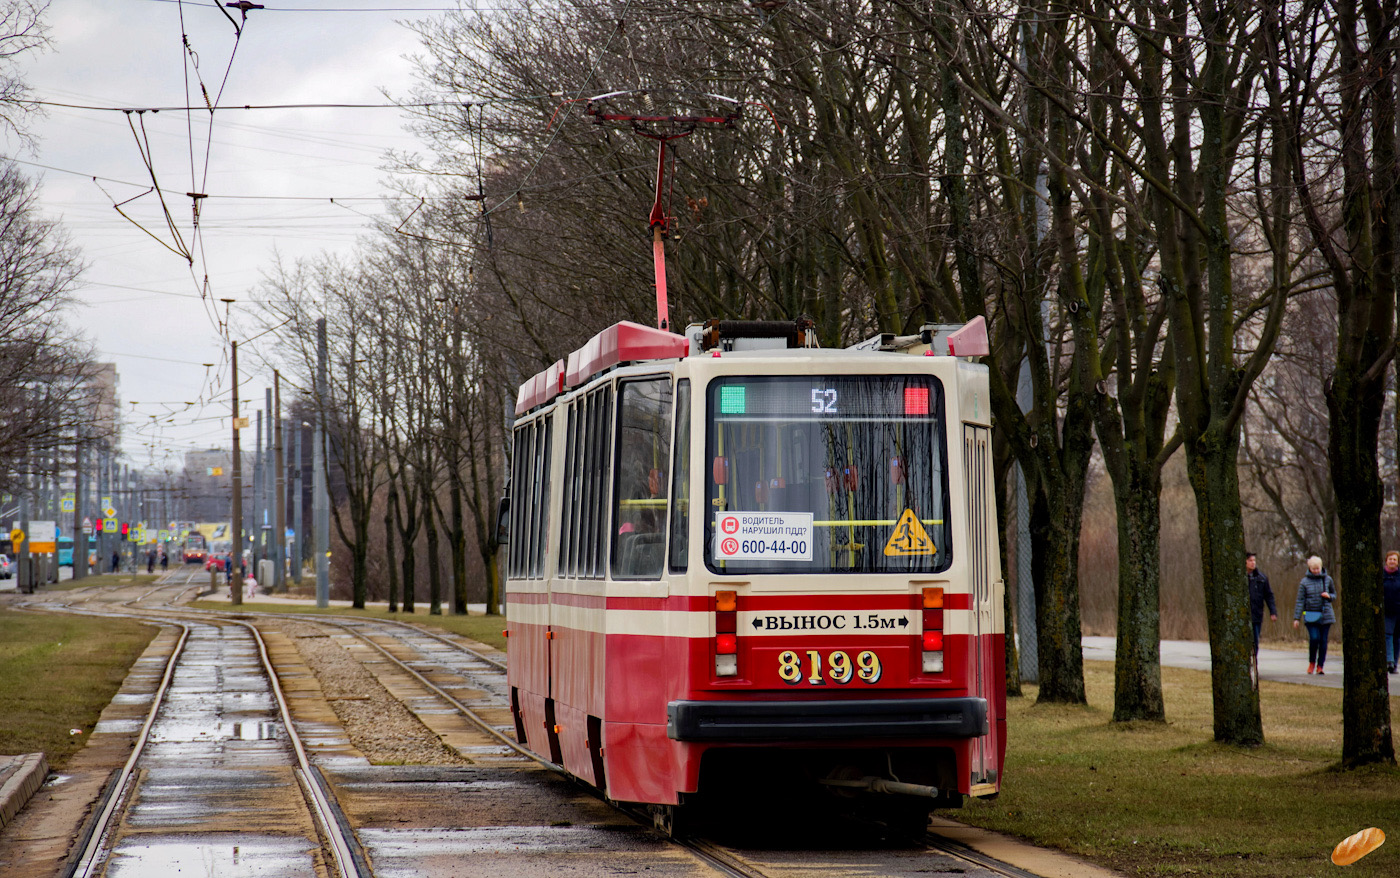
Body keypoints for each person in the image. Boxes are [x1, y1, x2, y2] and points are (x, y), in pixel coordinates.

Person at [1293, 555, 1336, 674]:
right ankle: (1312, 662)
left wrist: (1329, 596)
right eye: (1314, 569)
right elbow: (1300, 600)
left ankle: (1320, 666)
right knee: (1314, 638)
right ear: (1309, 568)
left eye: (1318, 568)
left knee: (1323, 641)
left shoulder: (1328, 579)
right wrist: (1296, 618)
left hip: (1326, 615)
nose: (1316, 571)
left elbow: (1334, 594)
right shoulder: (1304, 582)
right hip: (1311, 615)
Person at [1246, 552, 1277, 657]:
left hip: (1256, 614)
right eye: (1250, 560)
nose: (1253, 563)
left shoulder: (1262, 578)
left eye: (1254, 560)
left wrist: (1273, 612)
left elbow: (1269, 595)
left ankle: (1254, 662)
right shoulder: (1238, 578)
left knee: (1255, 641)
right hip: (1243, 615)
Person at [1383, 551, 1400, 674]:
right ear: (1386, 561)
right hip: (1387, 610)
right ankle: (1389, 660)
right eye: (1390, 559)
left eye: (1394, 559)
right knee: (1387, 635)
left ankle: (1394, 663)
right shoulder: (1382, 575)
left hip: (1398, 610)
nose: (1392, 561)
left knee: (1396, 637)